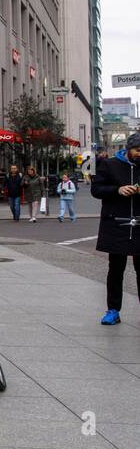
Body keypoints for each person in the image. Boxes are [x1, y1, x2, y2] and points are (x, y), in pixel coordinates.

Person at [92, 131, 140, 326]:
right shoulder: (109, 164)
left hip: (139, 225)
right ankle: (113, 310)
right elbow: (96, 189)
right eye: (137, 150)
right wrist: (117, 190)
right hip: (116, 224)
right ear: (128, 149)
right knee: (115, 270)